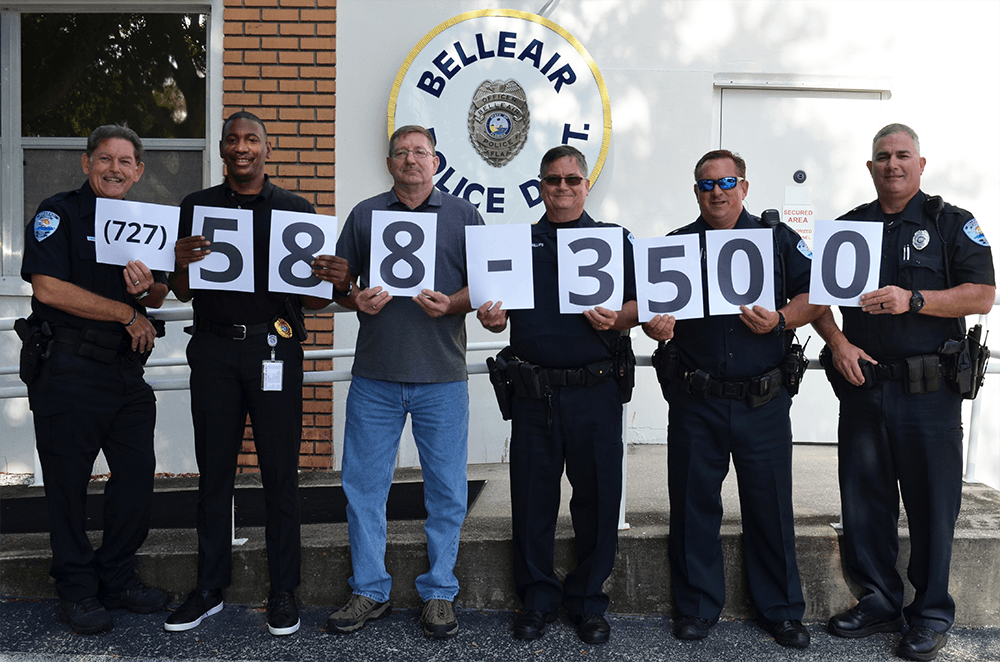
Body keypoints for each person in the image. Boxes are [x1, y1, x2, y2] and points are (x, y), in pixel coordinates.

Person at [814, 124, 995, 661]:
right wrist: (839, 343)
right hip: (864, 388)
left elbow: (982, 295)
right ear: (869, 168)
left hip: (929, 393)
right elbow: (815, 299)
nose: (892, 164)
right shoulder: (848, 229)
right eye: (882, 157)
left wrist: (913, 300)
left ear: (920, 164)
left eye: (902, 156)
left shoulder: (950, 224)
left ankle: (931, 612)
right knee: (864, 503)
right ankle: (877, 600)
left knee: (932, 507)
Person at [311, 125, 484, 639]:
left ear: (437, 162)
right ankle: (369, 589)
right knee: (364, 487)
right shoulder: (365, 214)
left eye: (420, 152)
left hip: (442, 377)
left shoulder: (463, 215)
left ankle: (439, 592)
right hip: (375, 378)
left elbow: (489, 282)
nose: (411, 160)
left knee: (447, 489)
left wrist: (454, 303)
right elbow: (339, 285)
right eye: (401, 153)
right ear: (389, 164)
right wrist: (353, 298)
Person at [643, 150, 820, 648]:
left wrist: (783, 319)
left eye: (726, 182)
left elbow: (817, 296)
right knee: (693, 506)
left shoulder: (778, 240)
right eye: (706, 184)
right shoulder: (675, 248)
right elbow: (650, 310)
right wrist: (654, 327)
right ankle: (696, 607)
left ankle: (781, 610)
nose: (716, 191)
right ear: (695, 191)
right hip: (696, 400)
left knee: (770, 507)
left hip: (762, 400)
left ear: (744, 186)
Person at [165, 111, 330, 636]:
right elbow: (184, 290)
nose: (242, 148)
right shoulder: (197, 207)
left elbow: (315, 299)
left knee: (280, 473)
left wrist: (332, 280)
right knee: (213, 472)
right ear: (221, 148)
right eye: (233, 140)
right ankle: (210, 587)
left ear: (267, 148)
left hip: (274, 348)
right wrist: (179, 263)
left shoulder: (295, 209)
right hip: (213, 351)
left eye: (252, 139)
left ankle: (284, 590)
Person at [476, 145, 638, 645]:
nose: (563, 188)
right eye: (553, 180)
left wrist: (622, 317)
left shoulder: (615, 241)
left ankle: (588, 601)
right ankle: (539, 599)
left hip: (596, 392)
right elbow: (493, 308)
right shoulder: (515, 244)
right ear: (540, 186)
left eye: (572, 180)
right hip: (534, 395)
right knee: (532, 502)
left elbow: (645, 302)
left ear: (586, 185)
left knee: (598, 500)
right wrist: (492, 318)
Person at [18, 124, 170, 634]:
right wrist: (126, 314)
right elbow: (48, 288)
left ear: (139, 171)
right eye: (104, 159)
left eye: (126, 162)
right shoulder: (56, 213)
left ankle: (117, 576)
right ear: (86, 163)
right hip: (69, 370)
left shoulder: (148, 223)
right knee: (68, 488)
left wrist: (147, 294)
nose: (115, 169)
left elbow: (158, 299)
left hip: (126, 374)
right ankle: (78, 590)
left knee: (135, 481)